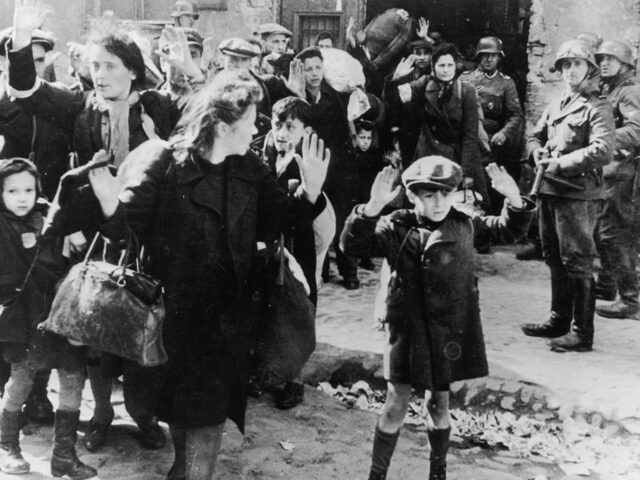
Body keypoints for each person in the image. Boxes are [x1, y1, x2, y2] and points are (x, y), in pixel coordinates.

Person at [84, 70, 330, 480]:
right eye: (251, 119)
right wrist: (111, 208)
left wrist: (309, 191)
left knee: (209, 416)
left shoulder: (249, 167)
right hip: (171, 317)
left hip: (227, 319)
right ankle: (181, 470)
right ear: (222, 123)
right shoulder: (165, 162)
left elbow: (277, 224)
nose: (257, 128)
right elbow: (127, 236)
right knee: (182, 410)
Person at [7, 1, 206, 452]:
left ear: (133, 71)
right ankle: (99, 414)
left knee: (146, 326)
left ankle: (144, 414)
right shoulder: (79, 106)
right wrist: (20, 40)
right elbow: (27, 91)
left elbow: (205, 112)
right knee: (95, 331)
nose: (100, 74)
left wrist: (188, 68)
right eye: (95, 65)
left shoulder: (158, 105)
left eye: (110, 66)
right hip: (95, 239)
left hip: (148, 236)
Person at [340, 157, 534, 480]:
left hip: (446, 332)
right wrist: (371, 208)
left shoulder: (465, 224)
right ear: (413, 196)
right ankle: (377, 475)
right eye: (429, 195)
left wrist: (514, 200)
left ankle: (437, 472)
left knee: (439, 404)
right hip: (407, 330)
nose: (439, 202)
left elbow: (508, 230)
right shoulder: (395, 226)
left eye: (446, 193)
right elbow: (351, 245)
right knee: (395, 402)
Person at [0, 158, 96, 479]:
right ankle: (7, 445)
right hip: (20, 316)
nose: (22, 197)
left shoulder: (50, 218)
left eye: (28, 189)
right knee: (22, 379)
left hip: (57, 311)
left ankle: (64, 455)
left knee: (72, 375)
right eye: (12, 190)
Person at [521, 39, 614, 352]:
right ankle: (558, 319)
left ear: (588, 68)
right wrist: (535, 152)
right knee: (553, 256)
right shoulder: (557, 103)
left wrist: (560, 163)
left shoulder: (597, 106)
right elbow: (534, 134)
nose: (570, 70)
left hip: (578, 194)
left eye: (577, 64)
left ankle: (581, 332)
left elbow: (603, 150)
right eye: (565, 65)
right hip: (549, 190)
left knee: (577, 260)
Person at [0, 26, 72, 425]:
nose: (37, 66)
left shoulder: (56, 106)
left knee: (42, 304)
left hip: (45, 217)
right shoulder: (2, 106)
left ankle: (39, 395)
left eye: (43, 59)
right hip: (5, 222)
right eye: (29, 57)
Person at [261, 96, 335, 409]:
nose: (281, 132)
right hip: (269, 246)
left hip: (299, 244)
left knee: (300, 306)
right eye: (277, 124)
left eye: (290, 126)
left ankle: (295, 379)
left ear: (305, 131)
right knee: (269, 305)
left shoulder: (308, 162)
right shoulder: (262, 156)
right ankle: (268, 370)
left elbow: (322, 220)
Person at [383, 42, 489, 207]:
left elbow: (470, 136)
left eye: (449, 65)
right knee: (426, 206)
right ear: (433, 66)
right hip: (428, 155)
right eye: (441, 65)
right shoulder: (425, 84)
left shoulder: (466, 90)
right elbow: (393, 100)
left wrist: (467, 173)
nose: (446, 70)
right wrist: (394, 79)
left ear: (455, 66)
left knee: (457, 207)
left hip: (456, 157)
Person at [295, 46, 360, 289]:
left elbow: (345, 132)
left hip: (339, 169)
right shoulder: (298, 97)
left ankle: (348, 270)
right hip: (313, 169)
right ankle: (319, 269)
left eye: (317, 67)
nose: (314, 73)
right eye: (308, 69)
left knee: (343, 221)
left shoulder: (334, 95)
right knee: (317, 222)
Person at [593, 40, 640, 319]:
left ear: (625, 63)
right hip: (609, 172)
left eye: (612, 59)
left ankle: (630, 299)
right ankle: (607, 286)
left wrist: (600, 139)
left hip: (624, 173)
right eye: (602, 59)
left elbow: (636, 130)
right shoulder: (609, 89)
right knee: (603, 230)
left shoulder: (630, 92)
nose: (605, 63)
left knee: (614, 234)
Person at [460, 36, 524, 214]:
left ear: (499, 58)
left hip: (492, 144)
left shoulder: (506, 83)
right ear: (478, 57)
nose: (489, 59)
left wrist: (504, 133)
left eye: (494, 56)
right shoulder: (465, 78)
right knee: (467, 184)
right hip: (469, 139)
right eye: (485, 55)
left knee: (491, 186)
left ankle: (492, 223)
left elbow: (515, 114)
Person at [158, 27, 204, 99]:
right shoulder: (147, 104)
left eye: (192, 56)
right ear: (163, 62)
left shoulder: (213, 102)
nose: (184, 63)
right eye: (178, 55)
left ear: (201, 60)